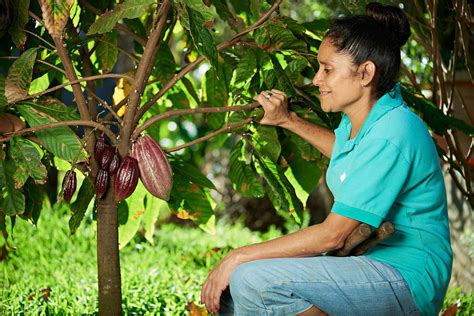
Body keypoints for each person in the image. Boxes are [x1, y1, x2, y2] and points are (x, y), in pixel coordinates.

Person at [201, 2, 453, 315]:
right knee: (234, 297)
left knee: (252, 279)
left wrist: (236, 256)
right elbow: (347, 153)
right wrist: (287, 120)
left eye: (327, 69)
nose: (317, 79)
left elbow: (333, 235)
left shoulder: (393, 131)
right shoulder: (364, 119)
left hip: (407, 278)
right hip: (371, 264)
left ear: (365, 73)